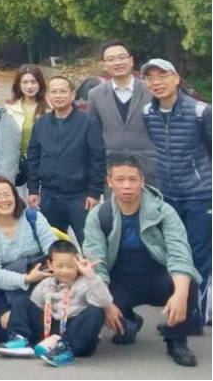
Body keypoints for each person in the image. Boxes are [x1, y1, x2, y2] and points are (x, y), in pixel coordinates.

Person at [82, 154, 201, 367]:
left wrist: (181, 294)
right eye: (120, 180)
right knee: (94, 296)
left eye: (132, 179)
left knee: (188, 282)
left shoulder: (164, 211)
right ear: (109, 182)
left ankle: (176, 340)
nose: (126, 186)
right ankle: (130, 322)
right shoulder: (99, 215)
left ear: (142, 180)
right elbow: (96, 265)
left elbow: (180, 254)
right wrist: (106, 304)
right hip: (121, 282)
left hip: (158, 278)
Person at [139, 57, 211, 323]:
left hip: (200, 194)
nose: (157, 82)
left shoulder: (201, 111)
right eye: (150, 78)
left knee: (200, 255)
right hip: (169, 193)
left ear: (176, 78)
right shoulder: (148, 113)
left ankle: (195, 317)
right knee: (175, 252)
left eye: (163, 75)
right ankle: (181, 307)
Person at [0, 241, 110, 365]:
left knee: (96, 311)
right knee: (22, 301)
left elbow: (104, 301)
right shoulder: (46, 283)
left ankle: (63, 348)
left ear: (78, 264)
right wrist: (14, 313)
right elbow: (32, 308)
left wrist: (91, 275)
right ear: (50, 265)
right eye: (59, 266)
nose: (65, 271)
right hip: (47, 329)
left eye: (70, 266)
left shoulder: (86, 283)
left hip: (74, 334)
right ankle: (20, 339)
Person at [26, 76, 106, 243]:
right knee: (52, 245)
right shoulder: (41, 124)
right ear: (48, 96)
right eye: (54, 92)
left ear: (72, 94)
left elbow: (97, 159)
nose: (58, 96)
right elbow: (33, 158)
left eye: (63, 91)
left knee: (90, 244)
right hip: (49, 195)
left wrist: (94, 192)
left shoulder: (88, 122)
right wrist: (33, 189)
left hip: (80, 196)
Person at [0, 176, 57, 342]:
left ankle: (44, 332)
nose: (4, 200)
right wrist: (26, 278)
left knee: (30, 319)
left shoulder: (33, 218)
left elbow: (54, 250)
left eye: (7, 194)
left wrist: (36, 277)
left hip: (40, 281)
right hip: (5, 289)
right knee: (4, 332)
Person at [86, 41, 154, 184]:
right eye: (111, 59)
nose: (117, 62)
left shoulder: (150, 89)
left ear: (131, 61)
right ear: (104, 65)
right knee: (115, 207)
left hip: (150, 168)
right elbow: (94, 135)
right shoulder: (95, 95)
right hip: (113, 170)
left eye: (122, 57)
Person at [4, 65, 46, 185]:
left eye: (33, 82)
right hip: (18, 166)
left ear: (40, 83)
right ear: (18, 84)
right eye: (25, 82)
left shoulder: (50, 108)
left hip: (44, 165)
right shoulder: (9, 109)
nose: (29, 86)